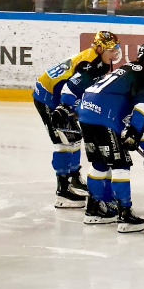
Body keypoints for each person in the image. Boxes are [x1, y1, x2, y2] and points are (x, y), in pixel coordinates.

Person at [76, 42, 144, 232]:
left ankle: (93, 209)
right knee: (121, 165)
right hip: (103, 117)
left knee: (99, 164)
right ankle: (124, 214)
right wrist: (132, 132)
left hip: (87, 112)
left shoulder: (128, 68)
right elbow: (142, 109)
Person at [33, 31, 117, 207]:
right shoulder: (89, 64)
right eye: (111, 49)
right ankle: (62, 192)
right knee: (63, 142)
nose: (115, 52)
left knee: (75, 138)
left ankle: (74, 179)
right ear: (100, 48)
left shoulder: (100, 61)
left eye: (116, 48)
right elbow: (70, 88)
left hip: (59, 96)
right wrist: (64, 108)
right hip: (48, 96)